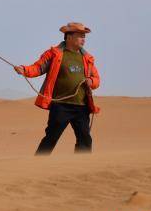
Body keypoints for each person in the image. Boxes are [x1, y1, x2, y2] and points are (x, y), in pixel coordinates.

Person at [14, 22, 100, 155]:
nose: (84, 39)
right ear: (69, 37)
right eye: (80, 36)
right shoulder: (54, 54)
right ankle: (37, 164)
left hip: (81, 106)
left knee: (85, 139)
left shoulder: (87, 58)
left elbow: (96, 79)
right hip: (60, 105)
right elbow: (38, 67)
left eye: (84, 36)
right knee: (51, 137)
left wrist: (91, 81)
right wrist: (24, 69)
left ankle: (81, 167)